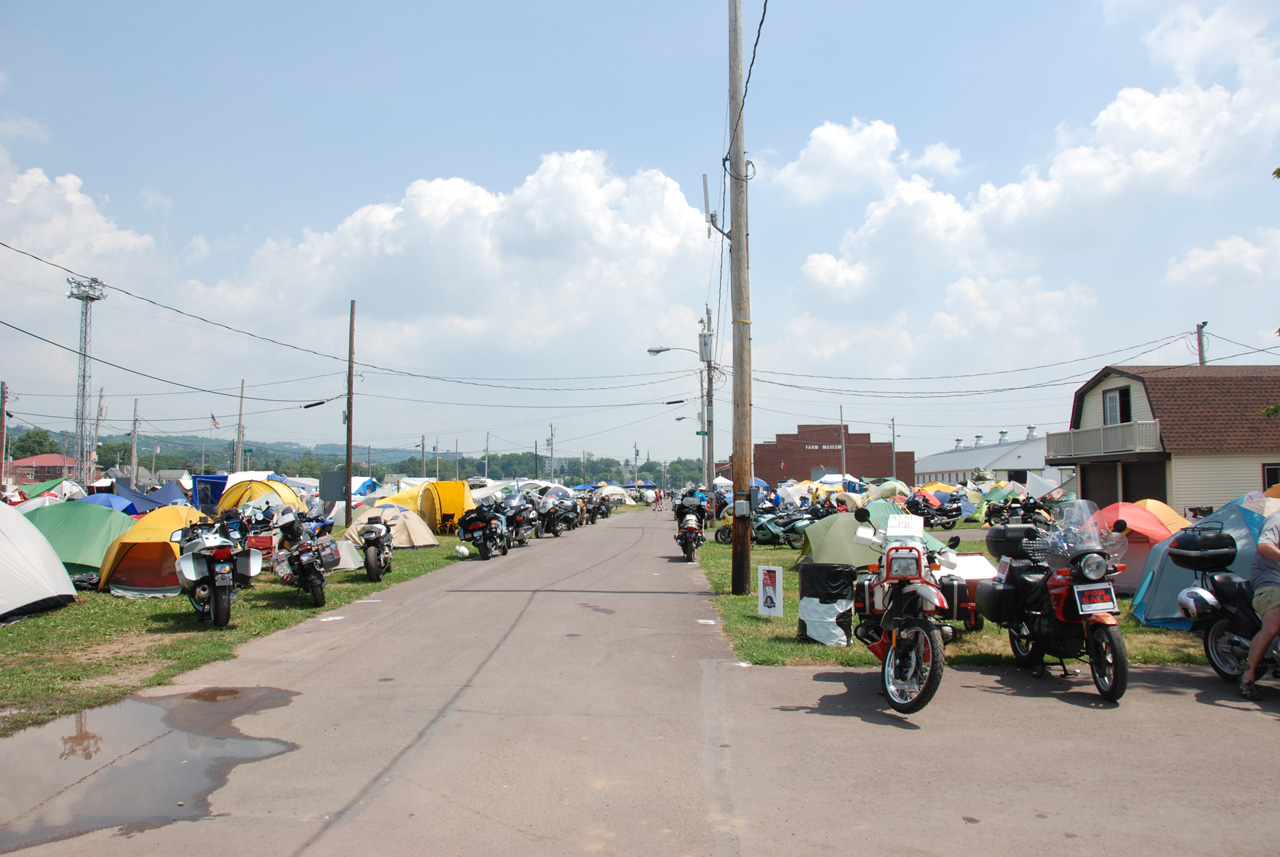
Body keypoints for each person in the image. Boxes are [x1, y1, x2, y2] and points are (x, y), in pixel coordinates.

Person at [1240, 508, 1280, 700]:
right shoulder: (1276, 520)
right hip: (1271, 581)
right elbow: (1264, 546)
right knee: (1273, 624)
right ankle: (1247, 678)